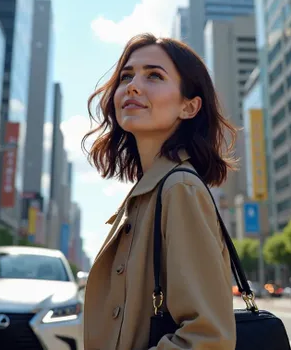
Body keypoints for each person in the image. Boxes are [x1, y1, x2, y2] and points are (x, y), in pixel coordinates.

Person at [82, 34, 237, 350]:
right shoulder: (149, 190)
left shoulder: (179, 189)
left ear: (189, 107)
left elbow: (208, 337)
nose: (133, 86)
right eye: (127, 76)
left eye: (154, 75)